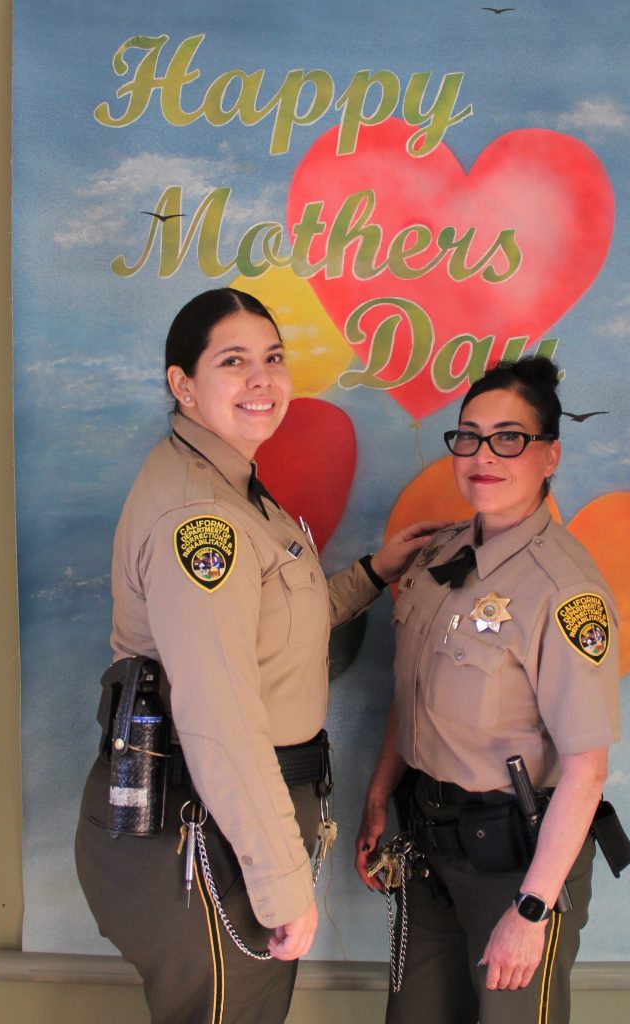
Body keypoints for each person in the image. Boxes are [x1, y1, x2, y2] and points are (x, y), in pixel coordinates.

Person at [75, 287, 441, 1024]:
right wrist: (279, 884)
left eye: (272, 359)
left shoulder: (237, 492)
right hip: (203, 826)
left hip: (224, 819)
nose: (262, 379)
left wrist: (373, 571)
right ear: (183, 384)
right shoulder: (201, 517)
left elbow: (275, 626)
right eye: (233, 361)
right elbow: (216, 712)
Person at [355, 357, 621, 1024]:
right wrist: (379, 793)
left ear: (549, 453)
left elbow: (586, 769)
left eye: (509, 438)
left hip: (515, 864)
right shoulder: (436, 556)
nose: (482, 455)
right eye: (468, 436)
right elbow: (410, 691)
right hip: (427, 846)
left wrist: (531, 911)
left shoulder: (565, 592)